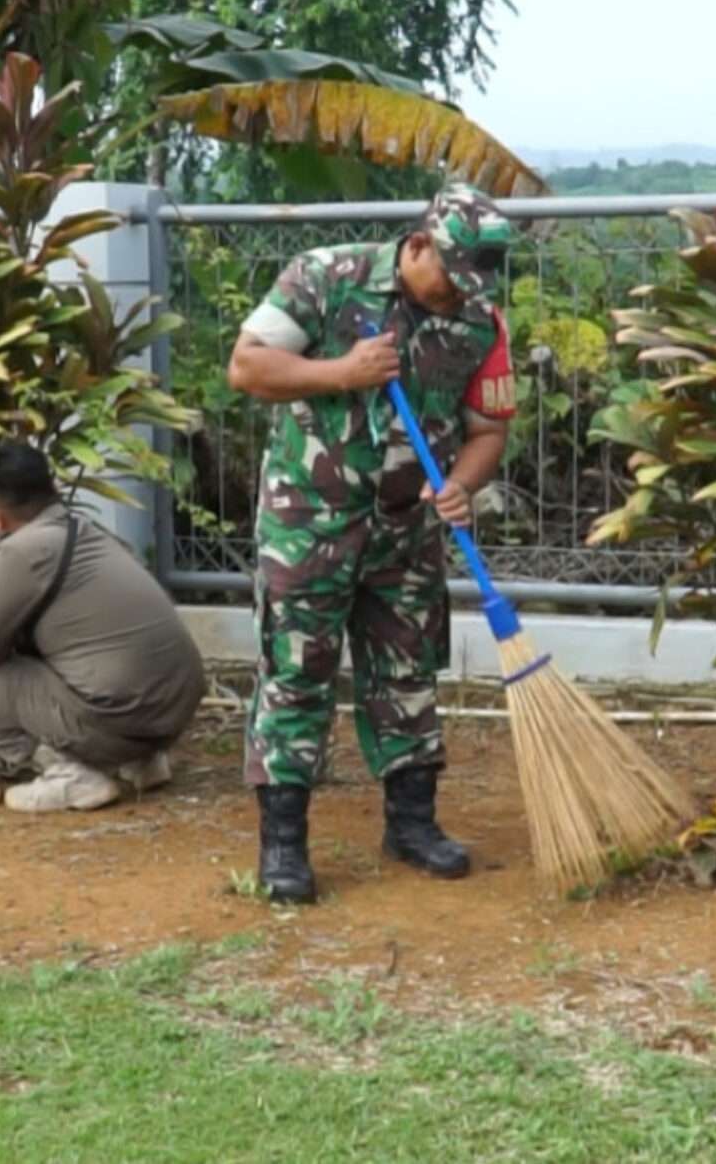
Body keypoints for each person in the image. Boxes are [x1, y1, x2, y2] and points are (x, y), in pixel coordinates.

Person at [227, 182, 517, 903]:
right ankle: (284, 848)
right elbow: (248, 366)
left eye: (474, 283)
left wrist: (462, 483)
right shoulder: (325, 276)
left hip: (407, 529)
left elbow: (489, 431)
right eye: (451, 278)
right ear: (417, 245)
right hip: (308, 521)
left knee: (408, 675)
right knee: (298, 672)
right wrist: (343, 373)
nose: (459, 295)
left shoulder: (483, 322)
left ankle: (412, 825)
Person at [0, 442, 205, 813]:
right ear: (53, 489)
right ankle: (142, 763)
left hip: (122, 719)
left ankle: (71, 774)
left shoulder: (23, 549)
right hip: (174, 713)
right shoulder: (85, 530)